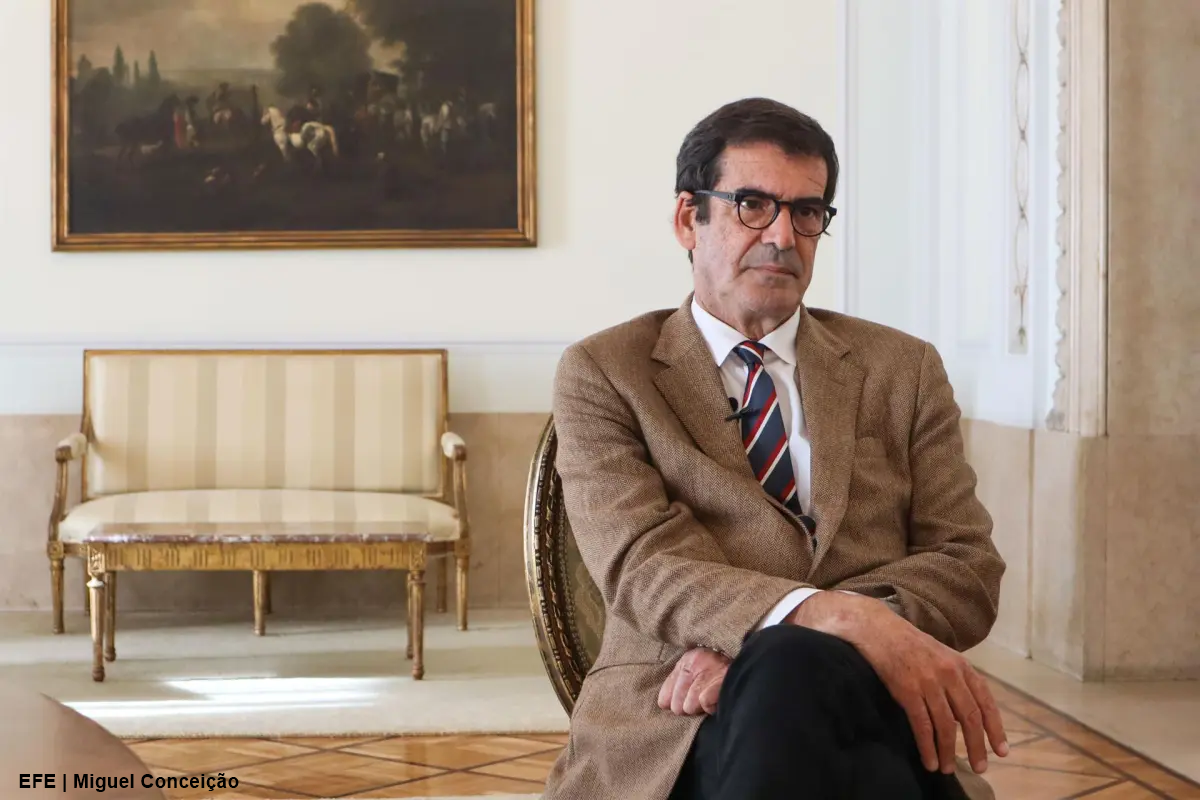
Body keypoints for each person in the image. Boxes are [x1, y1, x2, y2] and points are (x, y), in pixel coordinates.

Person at [544, 97, 1009, 800]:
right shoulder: (608, 371)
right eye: (753, 206)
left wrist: (797, 639)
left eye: (807, 212)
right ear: (688, 220)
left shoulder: (902, 369)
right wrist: (831, 617)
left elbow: (967, 567)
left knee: (793, 676)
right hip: (678, 716)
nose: (784, 236)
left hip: (866, 697)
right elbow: (644, 568)